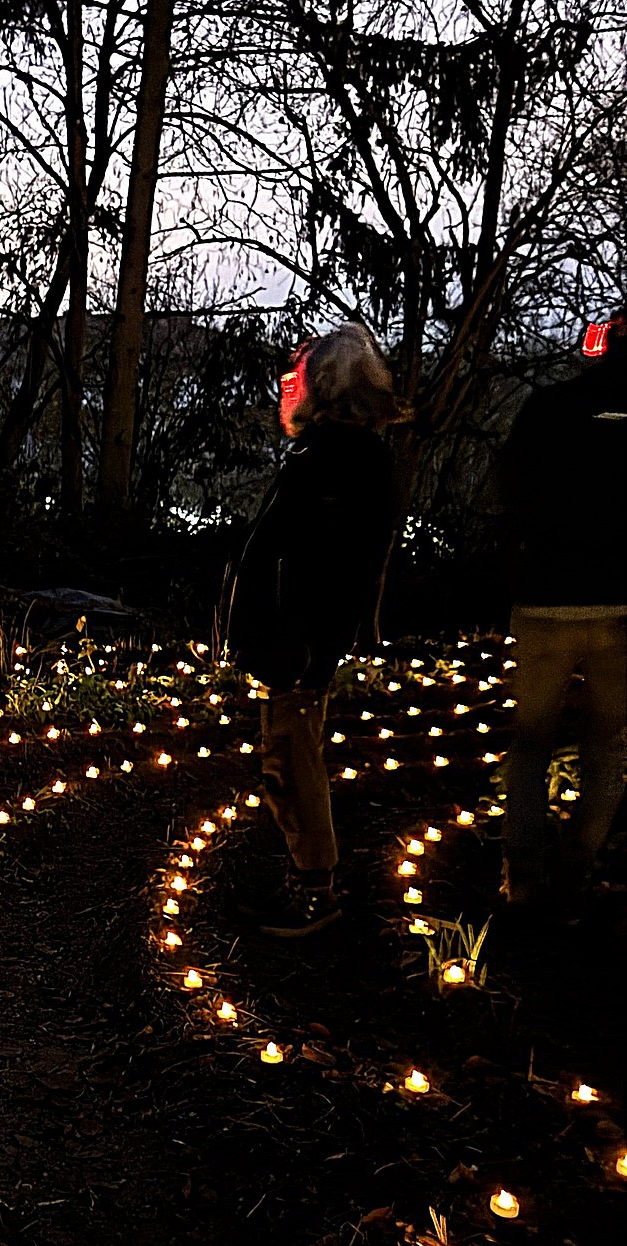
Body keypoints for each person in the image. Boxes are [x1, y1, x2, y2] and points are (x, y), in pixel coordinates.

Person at [227, 321, 402, 936]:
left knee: (292, 761)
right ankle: (308, 877)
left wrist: (298, 640)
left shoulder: (338, 461)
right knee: (286, 757)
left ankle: (314, 891)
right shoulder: (343, 455)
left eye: (299, 378)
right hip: (298, 638)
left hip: (300, 643)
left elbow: (325, 563)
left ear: (326, 385)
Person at [494, 307, 627, 909]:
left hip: (546, 599)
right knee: (607, 743)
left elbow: (509, 486)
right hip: (620, 607)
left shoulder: (548, 407)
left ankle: (523, 875)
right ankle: (577, 868)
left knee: (531, 741)